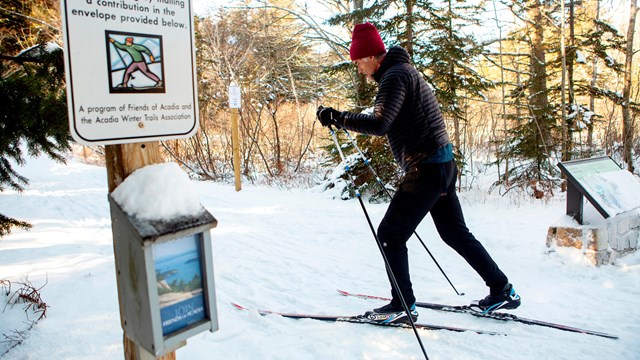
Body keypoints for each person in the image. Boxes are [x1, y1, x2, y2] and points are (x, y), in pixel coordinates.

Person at [317, 22, 520, 325]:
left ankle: (402, 304)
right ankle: (502, 290)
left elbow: (379, 124)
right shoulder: (402, 72)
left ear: (373, 56)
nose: (359, 68)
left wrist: (340, 117)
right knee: (455, 234)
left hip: (426, 168)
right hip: (442, 165)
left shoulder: (395, 75)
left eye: (359, 61)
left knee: (390, 234)